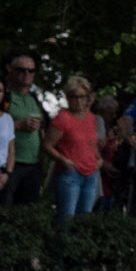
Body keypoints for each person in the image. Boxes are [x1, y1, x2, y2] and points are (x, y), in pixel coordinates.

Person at [48, 75, 101, 222]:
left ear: (87, 97)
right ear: (68, 97)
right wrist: (62, 160)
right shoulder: (63, 118)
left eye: (82, 96)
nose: (78, 101)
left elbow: (90, 143)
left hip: (91, 173)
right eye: (74, 97)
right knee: (66, 219)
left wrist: (99, 159)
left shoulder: (90, 117)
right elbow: (47, 145)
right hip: (70, 174)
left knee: (85, 220)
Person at [4, 54, 49, 205]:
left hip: (33, 164)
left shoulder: (35, 98)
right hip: (10, 163)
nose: (27, 74)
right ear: (11, 70)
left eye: (31, 71)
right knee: (5, 207)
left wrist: (43, 155)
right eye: (22, 70)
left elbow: (42, 128)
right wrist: (18, 125)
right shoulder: (4, 96)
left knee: (27, 210)